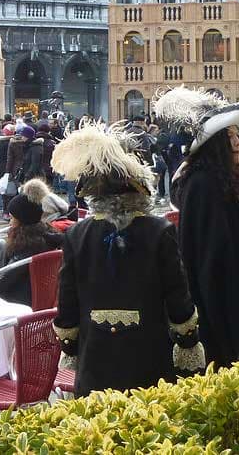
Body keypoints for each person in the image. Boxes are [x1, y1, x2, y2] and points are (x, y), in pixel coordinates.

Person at [50, 125, 204, 396]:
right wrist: (188, 341)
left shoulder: (77, 234)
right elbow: (177, 292)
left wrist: (70, 346)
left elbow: (67, 298)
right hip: (147, 354)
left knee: (96, 428)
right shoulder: (159, 230)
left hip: (94, 355)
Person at [161, 86, 239, 367]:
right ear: (215, 145)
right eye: (230, 137)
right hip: (228, 294)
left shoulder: (235, 180)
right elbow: (205, 254)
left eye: (238, 135)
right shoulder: (201, 185)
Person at [0, 179, 64, 305]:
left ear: (21, 220)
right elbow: (18, 273)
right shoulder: (43, 237)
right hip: (28, 297)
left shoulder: (28, 245)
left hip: (15, 302)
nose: (10, 222)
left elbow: (1, 284)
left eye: (12, 218)